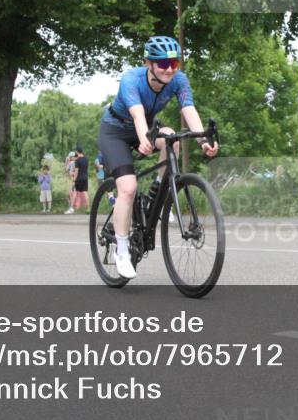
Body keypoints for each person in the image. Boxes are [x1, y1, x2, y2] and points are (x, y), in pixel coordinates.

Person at [98, 35, 219, 279]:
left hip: (148, 127)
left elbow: (188, 109)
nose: (169, 69)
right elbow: (137, 115)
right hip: (116, 132)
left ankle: (157, 193)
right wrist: (144, 137)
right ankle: (122, 250)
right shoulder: (132, 79)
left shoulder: (178, 81)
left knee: (172, 138)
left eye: (174, 64)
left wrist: (203, 141)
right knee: (128, 188)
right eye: (163, 64)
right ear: (149, 64)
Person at [67, 147, 90, 214]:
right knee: (85, 192)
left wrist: (74, 180)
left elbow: (76, 171)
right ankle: (88, 208)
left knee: (74, 193)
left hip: (79, 178)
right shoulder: (86, 159)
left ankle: (71, 208)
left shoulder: (77, 160)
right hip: (85, 178)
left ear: (77, 152)